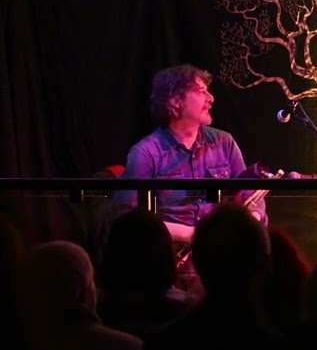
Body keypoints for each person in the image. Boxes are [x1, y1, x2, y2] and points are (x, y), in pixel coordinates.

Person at [114, 64, 267, 284]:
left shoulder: (224, 142)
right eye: (201, 90)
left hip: (222, 265)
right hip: (168, 272)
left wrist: (246, 221)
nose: (211, 98)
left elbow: (253, 197)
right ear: (175, 100)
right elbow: (127, 218)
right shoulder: (145, 153)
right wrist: (190, 235)